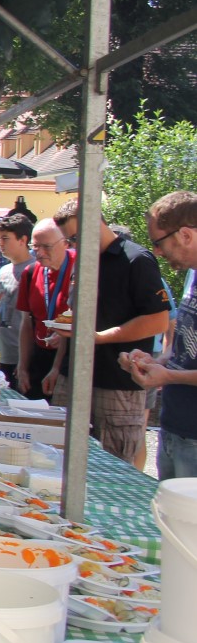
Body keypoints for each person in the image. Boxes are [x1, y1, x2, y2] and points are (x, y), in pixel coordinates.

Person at [48, 198, 168, 468]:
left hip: (118, 380)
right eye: (69, 241)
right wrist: (59, 359)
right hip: (76, 375)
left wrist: (100, 337)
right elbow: (76, 318)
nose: (74, 245)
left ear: (97, 222)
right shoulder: (83, 261)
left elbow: (158, 321)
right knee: (60, 459)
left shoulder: (136, 259)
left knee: (115, 464)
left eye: (77, 237)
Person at [123, 191, 197, 479]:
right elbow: (185, 352)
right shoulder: (192, 273)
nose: (157, 252)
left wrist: (167, 377)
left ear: (187, 235)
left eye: (158, 242)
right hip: (174, 429)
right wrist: (157, 361)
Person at [16, 218, 74, 400]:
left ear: (65, 243)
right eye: (35, 246)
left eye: (46, 247)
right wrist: (23, 366)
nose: (39, 253)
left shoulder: (79, 268)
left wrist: (57, 367)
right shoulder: (31, 272)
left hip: (68, 358)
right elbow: (26, 322)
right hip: (39, 354)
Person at [0, 213, 35, 388]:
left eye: (5, 238)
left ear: (22, 240)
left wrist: (24, 363)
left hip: (23, 359)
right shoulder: (3, 271)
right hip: (5, 356)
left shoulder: (34, 270)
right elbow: (3, 317)